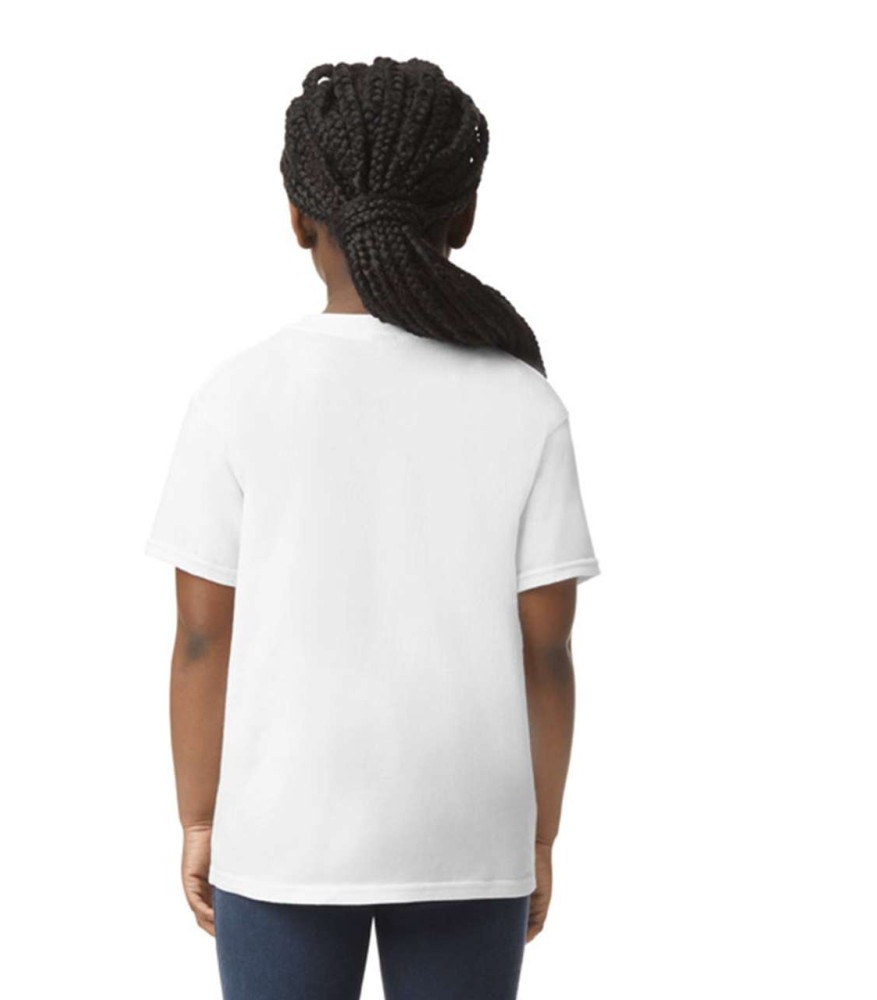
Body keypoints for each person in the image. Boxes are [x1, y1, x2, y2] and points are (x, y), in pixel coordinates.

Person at [144, 56, 601, 1000]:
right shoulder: (526, 404)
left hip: (281, 836)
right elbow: (546, 649)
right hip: (469, 839)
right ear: (463, 218)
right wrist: (540, 832)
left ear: (297, 216)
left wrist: (200, 819)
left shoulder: (236, 396)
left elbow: (201, 637)